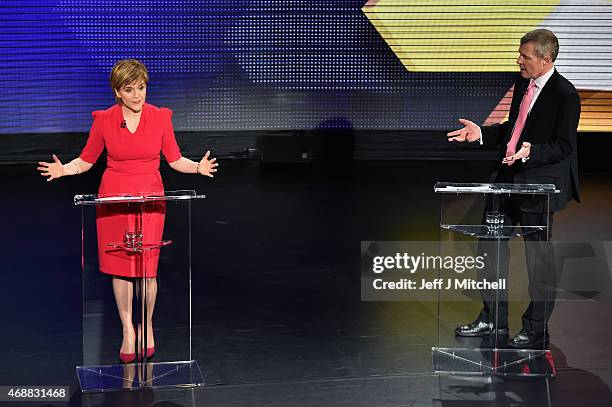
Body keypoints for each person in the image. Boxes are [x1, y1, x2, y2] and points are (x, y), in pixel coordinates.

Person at [37, 59, 219, 363]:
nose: (137, 95)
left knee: (147, 268)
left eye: (142, 87)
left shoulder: (160, 118)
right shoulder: (104, 120)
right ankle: (127, 330)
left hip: (150, 200)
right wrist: (63, 170)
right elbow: (86, 160)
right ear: (118, 92)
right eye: (130, 89)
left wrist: (198, 168)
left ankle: (145, 325)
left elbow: (175, 160)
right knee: (120, 268)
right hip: (114, 202)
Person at [446, 29, 580, 348]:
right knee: (490, 250)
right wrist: (482, 134)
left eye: (525, 56)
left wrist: (532, 151)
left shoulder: (565, 95)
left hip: (538, 186)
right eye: (519, 54)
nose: (518, 60)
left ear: (546, 60)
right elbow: (514, 128)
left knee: (538, 261)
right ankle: (493, 317)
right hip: (506, 180)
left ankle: (536, 327)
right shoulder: (523, 83)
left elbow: (563, 145)